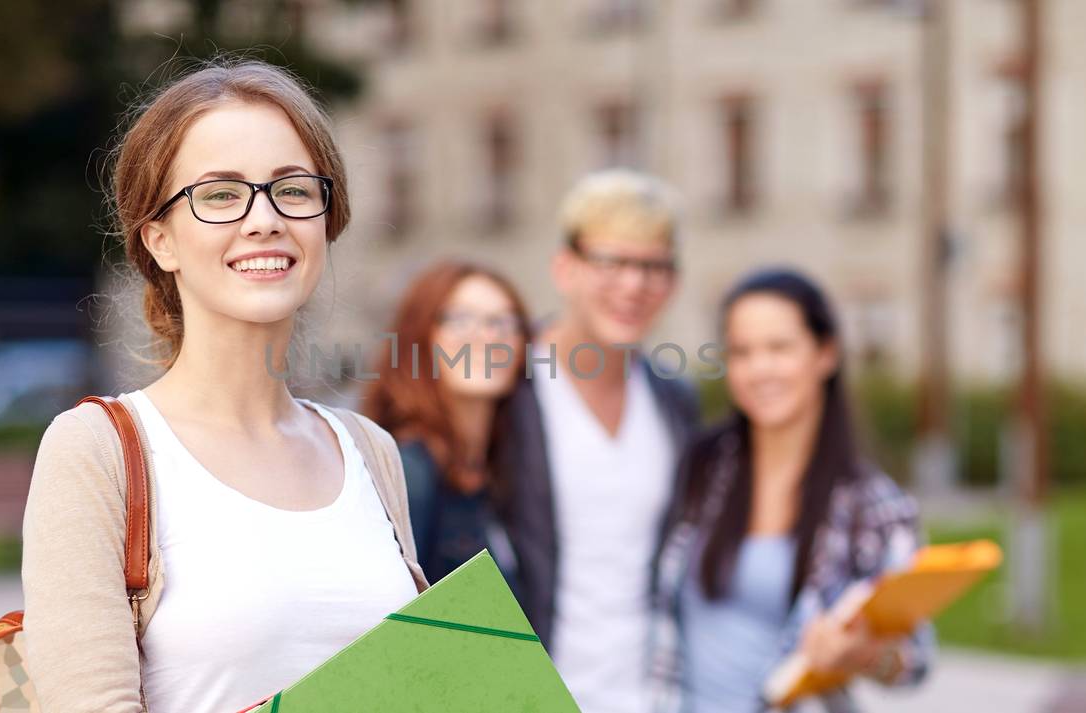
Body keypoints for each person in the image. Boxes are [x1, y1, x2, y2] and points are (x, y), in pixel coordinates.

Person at [19, 59, 428, 713]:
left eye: (293, 190)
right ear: (160, 240)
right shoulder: (97, 450)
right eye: (220, 194)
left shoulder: (369, 449)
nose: (265, 219)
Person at [649, 268, 932, 713]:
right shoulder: (701, 466)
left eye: (779, 348)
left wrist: (862, 655)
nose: (759, 370)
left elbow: (914, 661)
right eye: (741, 352)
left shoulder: (873, 504)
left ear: (825, 354)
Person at [490, 169, 701, 713]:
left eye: (653, 266)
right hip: (526, 696)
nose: (634, 285)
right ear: (566, 268)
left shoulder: (673, 400)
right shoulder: (505, 387)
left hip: (647, 698)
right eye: (612, 262)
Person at [364, 261, 530, 585]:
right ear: (419, 337)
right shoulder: (408, 473)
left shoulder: (501, 474)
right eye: (460, 319)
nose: (487, 336)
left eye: (503, 321)